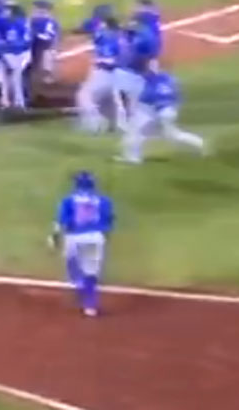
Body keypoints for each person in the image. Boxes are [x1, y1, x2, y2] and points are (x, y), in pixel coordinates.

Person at [49, 171, 115, 317]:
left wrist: (54, 237)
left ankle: (80, 289)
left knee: (73, 268)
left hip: (74, 237)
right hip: (96, 237)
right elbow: (109, 222)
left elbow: (60, 222)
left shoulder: (68, 200)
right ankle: (90, 305)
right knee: (91, 271)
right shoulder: (105, 201)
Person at [118, 66, 207, 164]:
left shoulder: (149, 87)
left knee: (138, 133)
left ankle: (133, 158)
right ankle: (200, 143)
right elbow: (177, 96)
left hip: (161, 114)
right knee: (172, 135)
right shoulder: (166, 80)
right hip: (170, 112)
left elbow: (145, 100)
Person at [75, 15, 124, 133]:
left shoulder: (107, 38)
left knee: (84, 96)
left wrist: (100, 61)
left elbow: (111, 61)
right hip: (119, 76)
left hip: (106, 73)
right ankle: (117, 125)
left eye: (103, 25)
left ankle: (95, 124)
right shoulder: (121, 38)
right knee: (109, 101)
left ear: (107, 26)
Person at [0, 5, 33, 112]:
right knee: (2, 78)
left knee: (15, 78)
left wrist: (4, 47)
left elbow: (22, 44)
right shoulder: (5, 23)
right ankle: (5, 102)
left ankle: (20, 104)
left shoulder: (20, 24)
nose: (4, 13)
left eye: (6, 11)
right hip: (9, 54)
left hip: (20, 55)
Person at [28, 0, 60, 85]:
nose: (33, 10)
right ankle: (48, 75)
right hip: (49, 45)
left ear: (41, 10)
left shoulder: (35, 20)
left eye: (35, 9)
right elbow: (56, 35)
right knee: (48, 56)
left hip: (37, 44)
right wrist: (54, 47)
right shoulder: (53, 21)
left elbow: (30, 33)